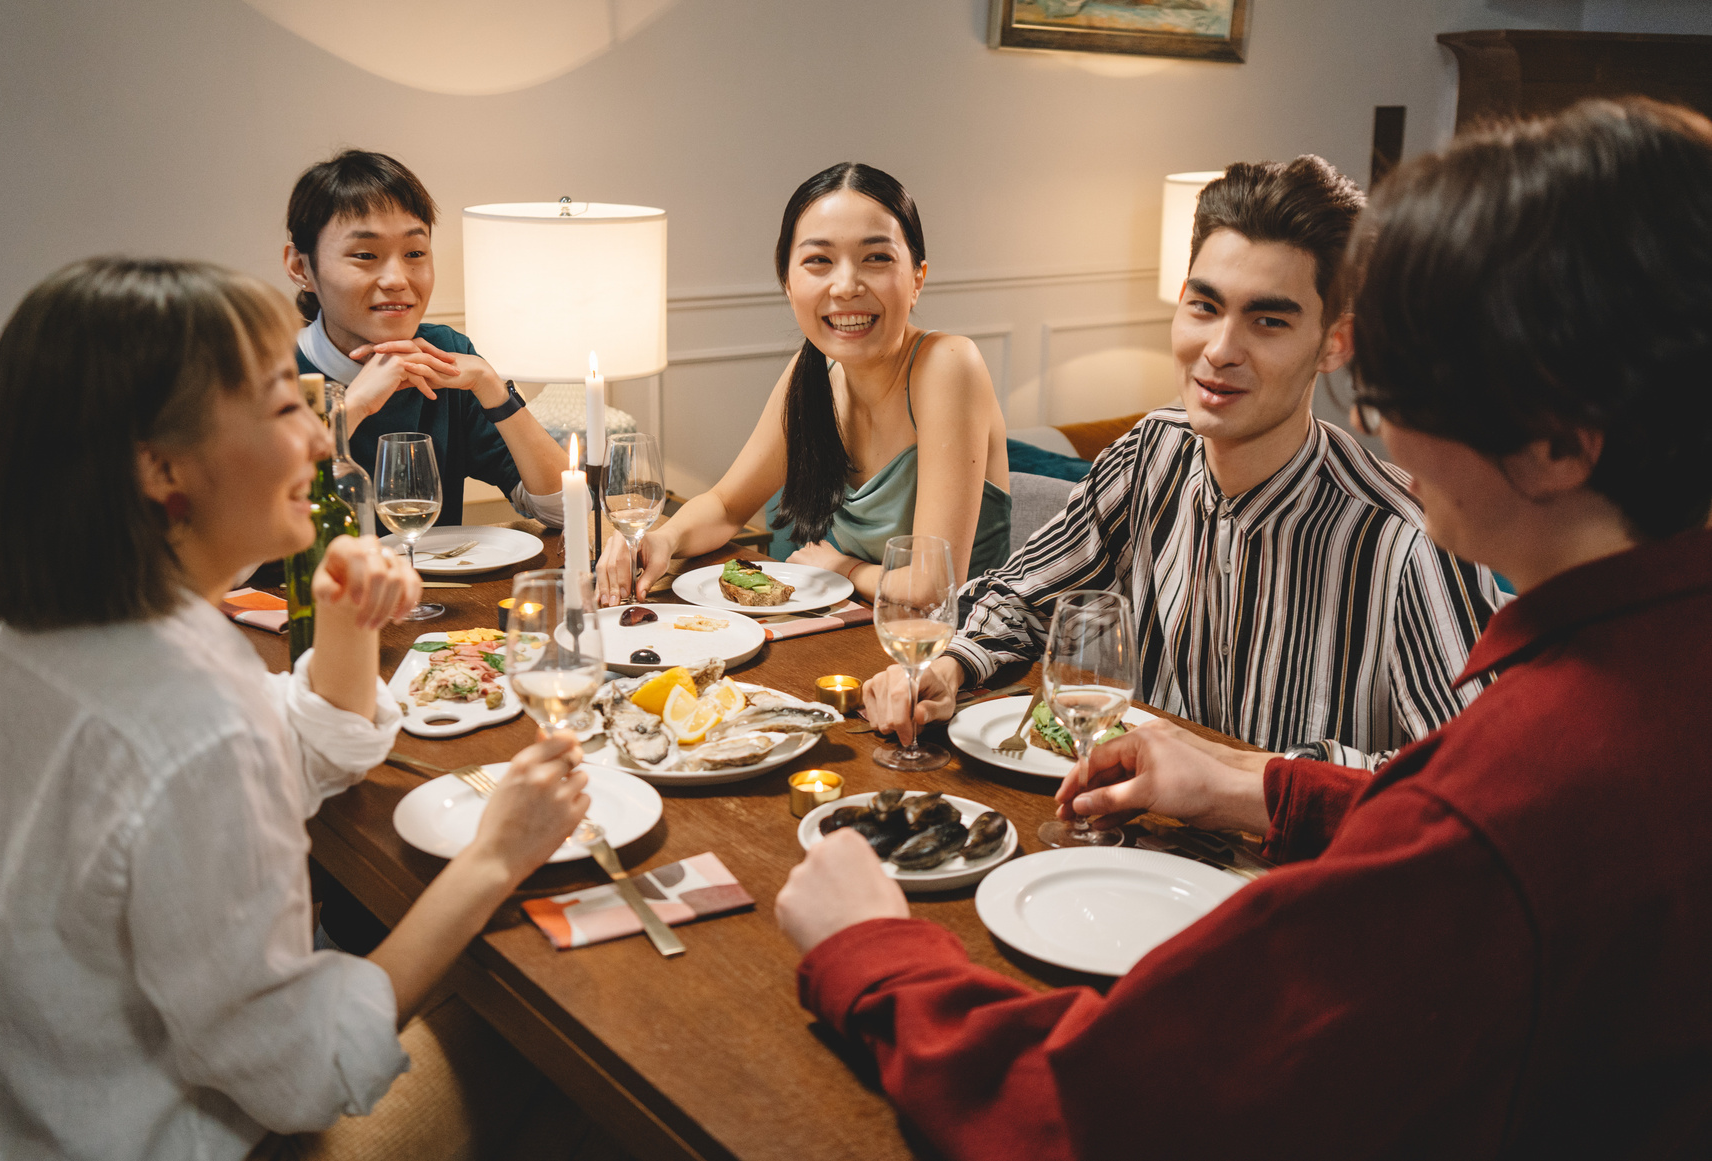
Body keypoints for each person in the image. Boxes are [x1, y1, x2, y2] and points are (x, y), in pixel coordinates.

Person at [777, 97, 1712, 1158]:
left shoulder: (1493, 751)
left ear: (1558, 441)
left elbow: (1095, 1117)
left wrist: (871, 949)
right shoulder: (1652, 672)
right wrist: (1259, 786)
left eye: (1425, 364)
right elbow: (1442, 816)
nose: (1380, 411)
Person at [0, 258, 594, 1160]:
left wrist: (342, 625)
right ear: (160, 468)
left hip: (29, 1111)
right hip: (187, 1138)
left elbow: (278, 753)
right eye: (282, 407)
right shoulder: (188, 714)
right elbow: (305, 1074)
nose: (319, 436)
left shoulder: (51, 635)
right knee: (559, 1034)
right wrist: (495, 854)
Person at [861, 154, 1503, 768]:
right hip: (1134, 841)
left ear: (1335, 342)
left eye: (1268, 321)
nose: (1220, 349)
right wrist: (950, 667)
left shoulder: (1409, 539)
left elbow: (1472, 782)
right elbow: (1026, 596)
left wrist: (1245, 772)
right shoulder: (1153, 453)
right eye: (1205, 306)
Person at [596, 162, 1011, 605]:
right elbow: (727, 505)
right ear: (788, 285)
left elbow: (932, 587)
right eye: (819, 261)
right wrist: (663, 538)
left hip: (954, 656)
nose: (846, 285)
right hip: (840, 638)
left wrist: (842, 567)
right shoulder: (813, 370)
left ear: (917, 280)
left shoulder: (949, 365)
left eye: (877, 257)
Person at [284, 149, 568, 526]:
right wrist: (356, 406)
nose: (397, 280)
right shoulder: (265, 373)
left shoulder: (446, 354)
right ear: (300, 267)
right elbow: (234, 543)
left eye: (415, 252)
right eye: (366, 255)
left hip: (433, 586)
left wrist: (491, 387)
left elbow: (563, 511)